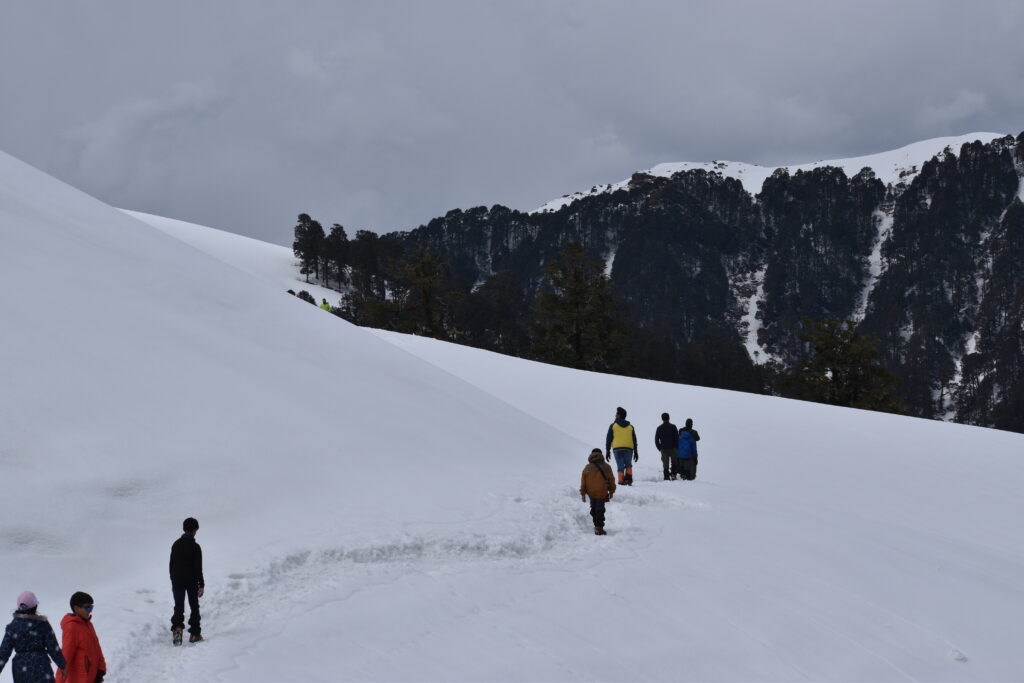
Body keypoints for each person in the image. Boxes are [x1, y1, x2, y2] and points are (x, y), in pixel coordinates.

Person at [0, 591, 67, 683]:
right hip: (41, 666)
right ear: (35, 606)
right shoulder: (42, 624)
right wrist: (62, 665)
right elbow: (53, 647)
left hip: (20, 668)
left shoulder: (12, 627)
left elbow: (3, 653)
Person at [170, 517, 205, 645]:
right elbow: (198, 568)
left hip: (177, 580)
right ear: (194, 529)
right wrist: (201, 584)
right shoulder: (195, 547)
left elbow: (171, 564)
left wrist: (173, 579)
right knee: (194, 606)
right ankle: (194, 635)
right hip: (191, 581)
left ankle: (178, 630)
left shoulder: (176, 544)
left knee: (178, 606)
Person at [56, 592, 104, 683]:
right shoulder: (72, 627)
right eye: (87, 607)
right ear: (76, 608)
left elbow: (97, 648)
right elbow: (66, 657)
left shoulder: (88, 625)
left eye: (91, 607)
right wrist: (59, 681)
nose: (90, 610)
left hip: (93, 677)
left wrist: (101, 670)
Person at [580, 448, 616, 535]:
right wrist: (611, 491)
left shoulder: (587, 467)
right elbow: (611, 480)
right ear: (601, 455)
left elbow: (583, 481)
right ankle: (599, 527)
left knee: (594, 508)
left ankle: (596, 525)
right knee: (600, 509)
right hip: (601, 491)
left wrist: (583, 493)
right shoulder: (607, 467)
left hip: (591, 493)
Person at [605, 406, 638, 486]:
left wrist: (607, 451)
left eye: (616, 414)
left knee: (620, 466)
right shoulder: (630, 427)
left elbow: (609, 439)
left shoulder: (613, 425)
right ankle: (628, 480)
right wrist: (636, 451)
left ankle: (621, 481)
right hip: (629, 449)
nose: (615, 415)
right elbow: (634, 440)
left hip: (617, 449)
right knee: (628, 465)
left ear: (619, 415)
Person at [655, 412, 679, 481]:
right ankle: (673, 475)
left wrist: (659, 448)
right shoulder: (673, 427)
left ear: (662, 419)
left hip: (664, 449)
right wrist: (676, 447)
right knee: (674, 462)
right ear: (669, 418)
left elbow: (656, 440)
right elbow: (677, 438)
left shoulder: (659, 428)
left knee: (665, 464)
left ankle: (666, 477)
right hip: (673, 448)